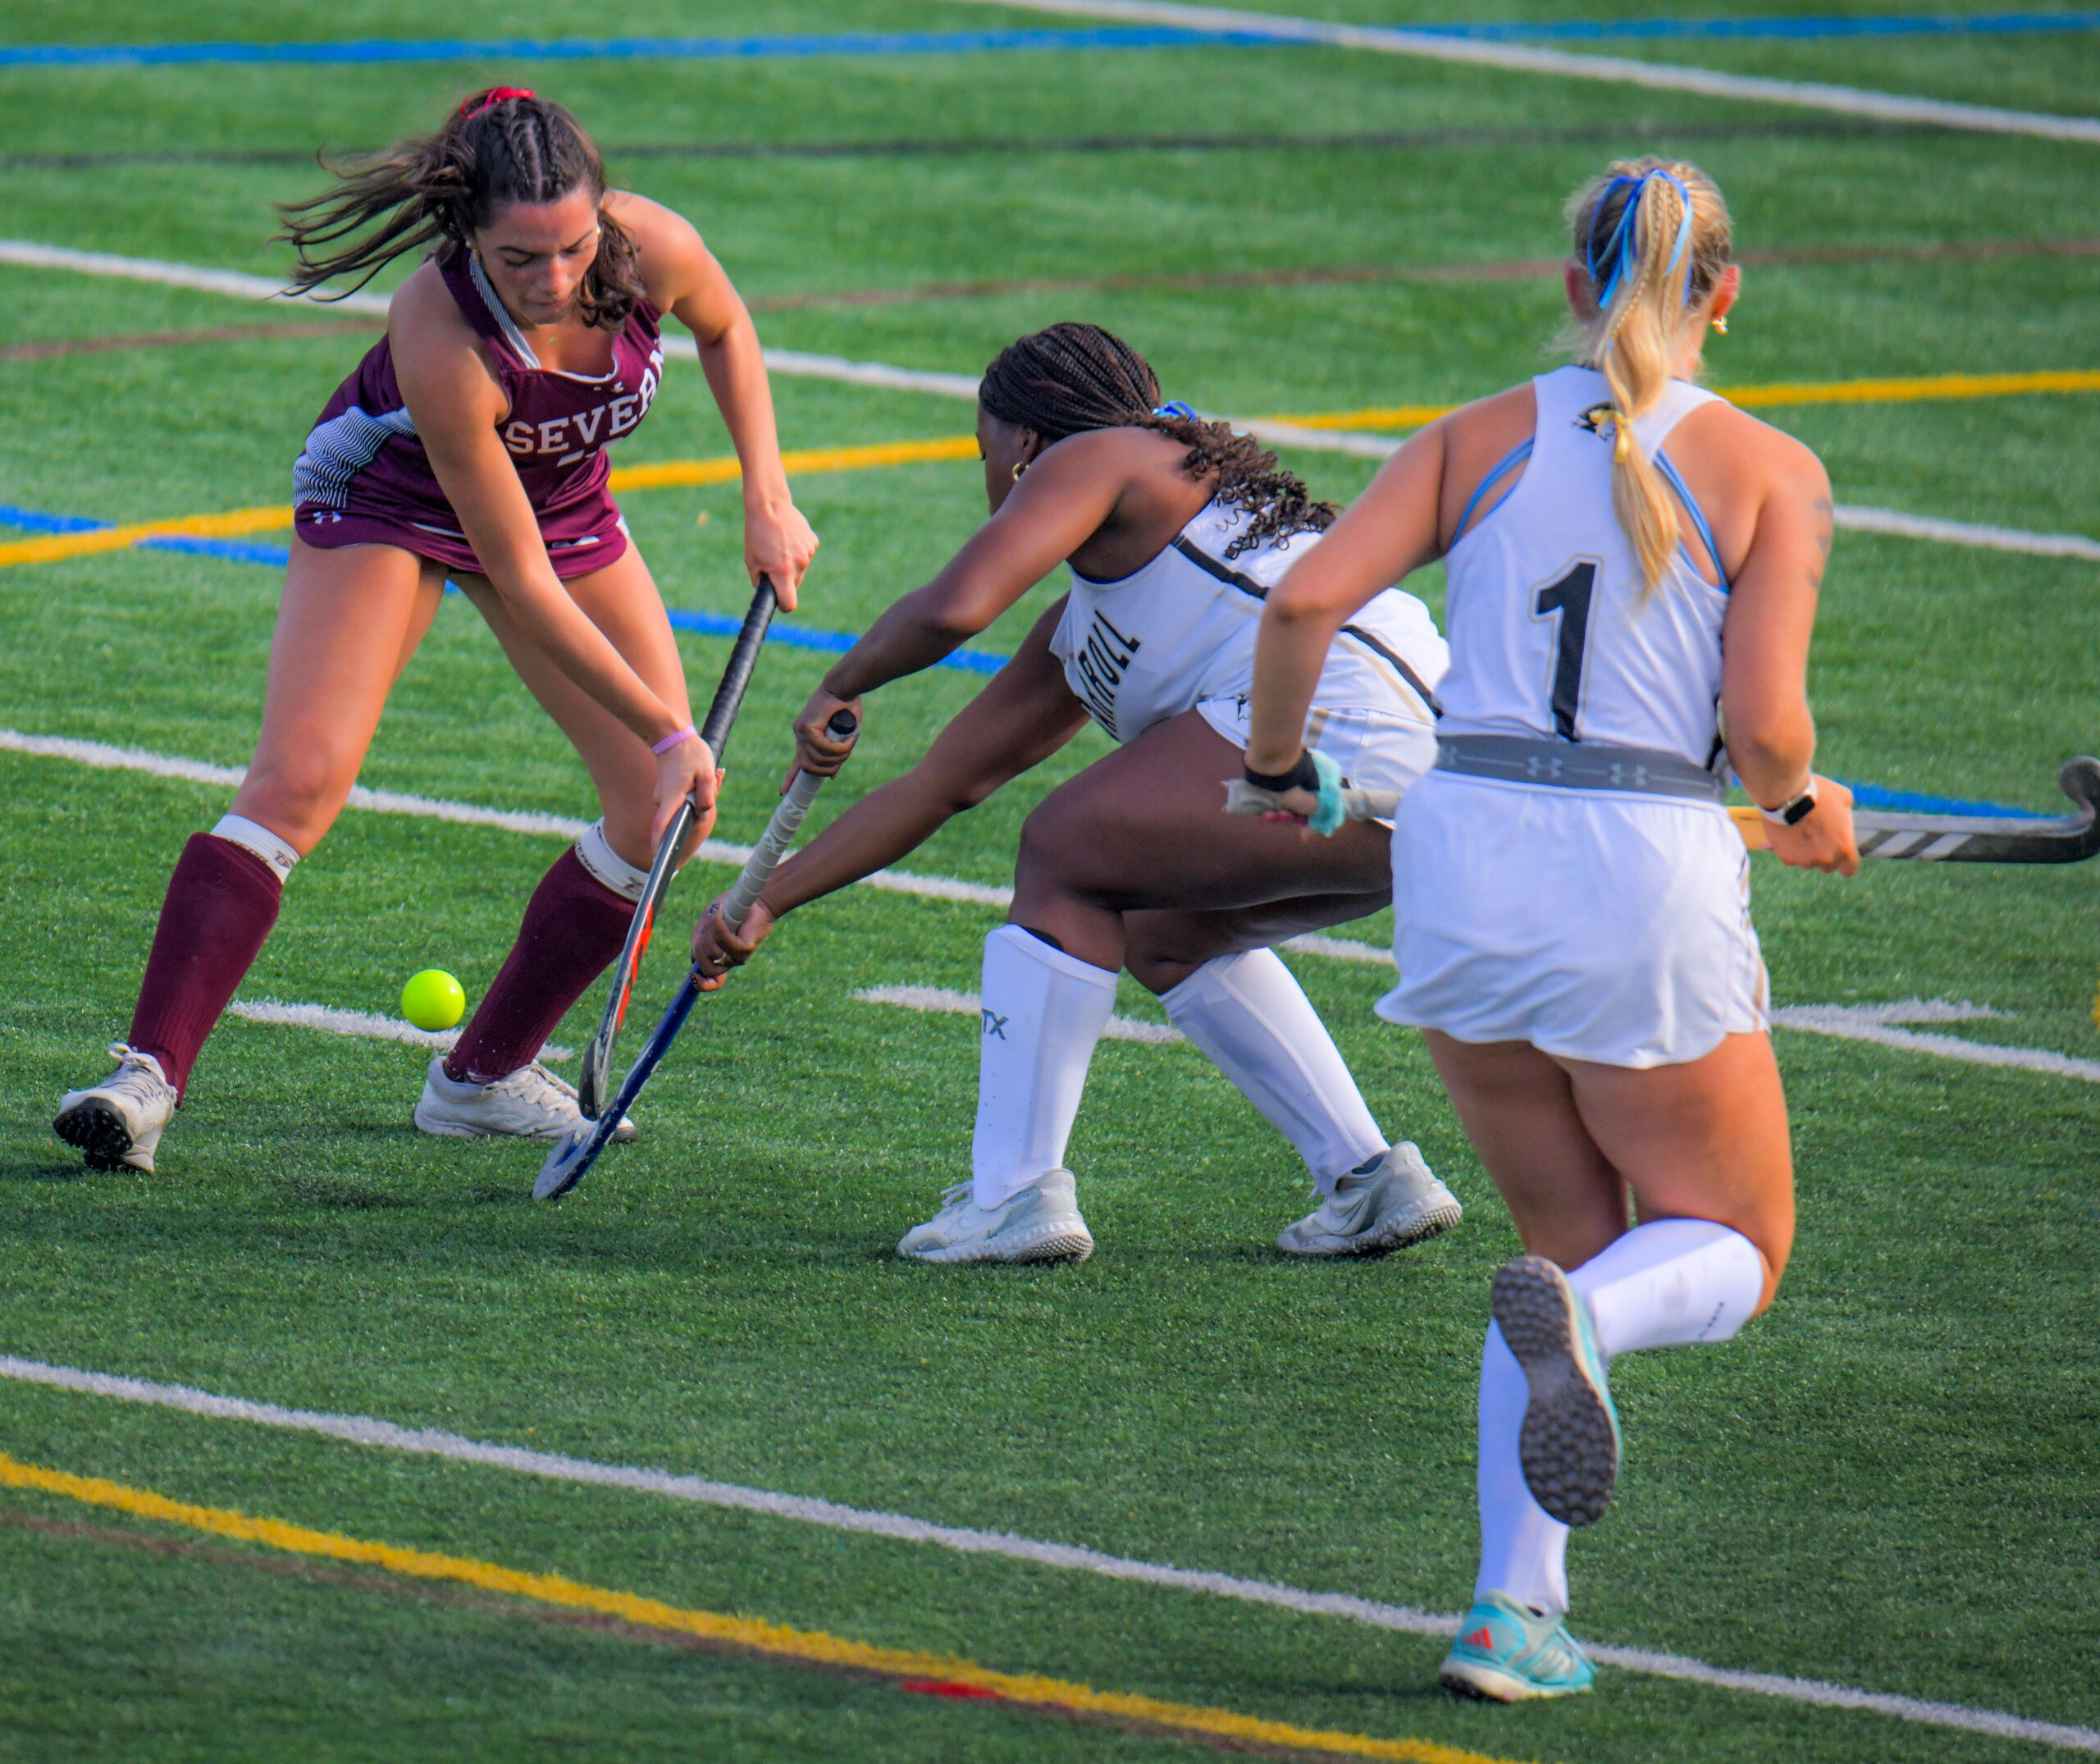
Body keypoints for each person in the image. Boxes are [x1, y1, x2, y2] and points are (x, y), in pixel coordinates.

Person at [1240, 159, 1858, 1700]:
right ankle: (1588, 1327)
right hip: (1636, 865)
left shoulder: (1473, 440)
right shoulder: (1769, 469)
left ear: (1576, 284)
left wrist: (1268, 767)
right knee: (1731, 1246)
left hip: (1466, 854)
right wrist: (1794, 804)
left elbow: (1304, 604)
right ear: (1725, 292)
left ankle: (1515, 1614)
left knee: (1554, 1246)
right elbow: (1764, 727)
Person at [53, 89, 817, 1174]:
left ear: (603, 211)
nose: (553, 279)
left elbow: (728, 326)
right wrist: (665, 726)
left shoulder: (650, 246)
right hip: (391, 499)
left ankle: (483, 1076)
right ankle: (143, 1081)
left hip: (556, 497)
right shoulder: (440, 323)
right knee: (301, 778)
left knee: (663, 821)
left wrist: (766, 493)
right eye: (519, 258)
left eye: (571, 246)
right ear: (469, 236)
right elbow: (516, 575)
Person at [693, 322, 1461, 1266]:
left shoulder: (1105, 451)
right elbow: (943, 783)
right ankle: (1369, 1178)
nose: (990, 480)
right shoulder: (1093, 614)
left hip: (1344, 732)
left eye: (984, 452)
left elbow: (953, 605)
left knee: (1063, 848)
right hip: (1430, 794)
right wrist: (765, 899)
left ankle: (1013, 1193)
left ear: (1024, 445)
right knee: (1163, 929)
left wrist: (841, 681)